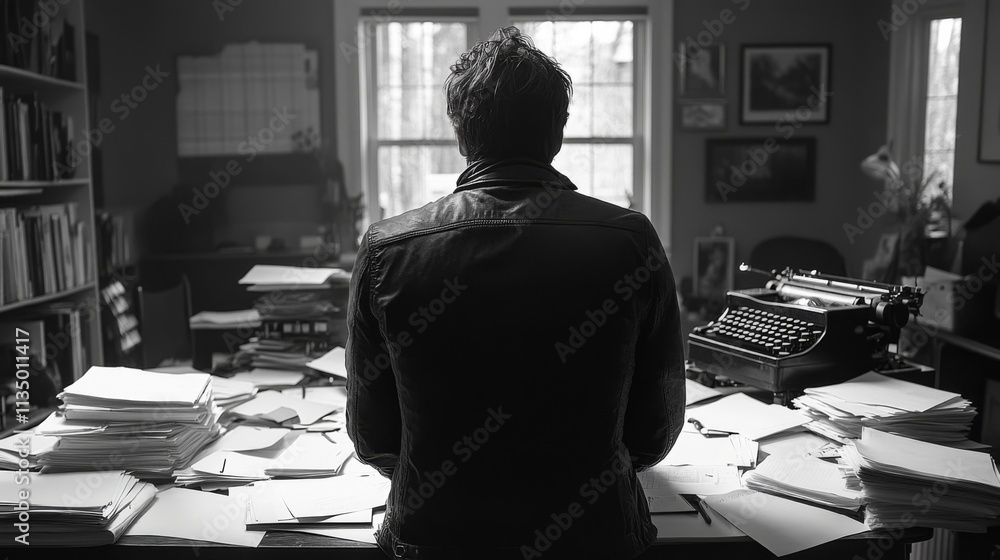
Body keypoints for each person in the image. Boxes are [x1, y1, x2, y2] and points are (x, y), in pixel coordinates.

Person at [346, 26, 685, 560]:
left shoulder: (388, 248)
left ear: (461, 133)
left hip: (436, 536)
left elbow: (374, 438)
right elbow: (655, 431)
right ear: (558, 131)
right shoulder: (630, 241)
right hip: (593, 537)